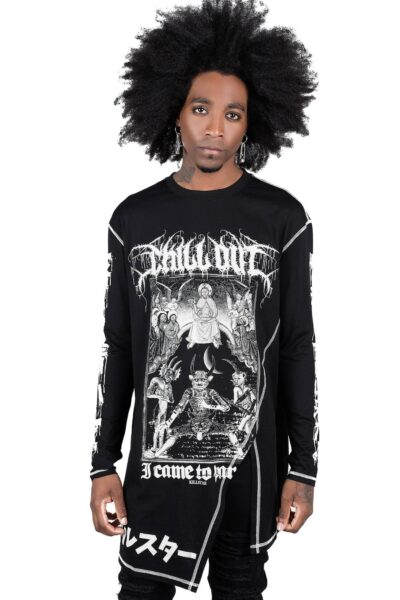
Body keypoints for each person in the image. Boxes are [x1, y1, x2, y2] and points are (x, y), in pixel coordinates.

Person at [89, 1, 320, 598]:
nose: (215, 128)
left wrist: (303, 467)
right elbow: (121, 348)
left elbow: (297, 346)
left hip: (250, 474)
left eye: (232, 114)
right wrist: (102, 462)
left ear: (252, 123)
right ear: (174, 111)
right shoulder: (133, 220)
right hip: (157, 476)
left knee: (241, 587)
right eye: (200, 109)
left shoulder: (281, 219)